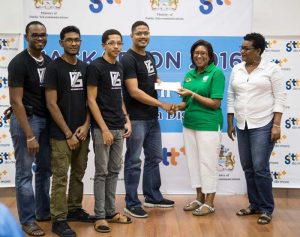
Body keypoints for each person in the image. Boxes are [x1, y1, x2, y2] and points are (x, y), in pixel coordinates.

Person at [227, 33, 286, 225]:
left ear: (258, 50)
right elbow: (230, 97)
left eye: (246, 48)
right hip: (242, 124)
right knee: (248, 167)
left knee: (260, 168)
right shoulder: (237, 69)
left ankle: (267, 208)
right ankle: (254, 205)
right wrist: (230, 122)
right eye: (241, 48)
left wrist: (276, 124)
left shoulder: (271, 69)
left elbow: (280, 98)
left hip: (263, 124)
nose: (242, 51)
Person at [120, 20, 175, 218]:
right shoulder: (128, 59)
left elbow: (152, 79)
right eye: (139, 33)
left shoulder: (149, 56)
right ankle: (131, 203)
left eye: (146, 33)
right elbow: (134, 91)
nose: (143, 36)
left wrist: (160, 84)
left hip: (152, 118)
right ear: (132, 36)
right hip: (136, 119)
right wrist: (161, 104)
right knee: (134, 161)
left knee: (154, 158)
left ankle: (152, 196)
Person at [44, 26, 95, 237]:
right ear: (61, 42)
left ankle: (74, 209)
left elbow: (91, 101)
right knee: (60, 177)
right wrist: (68, 133)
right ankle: (59, 218)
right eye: (69, 40)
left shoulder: (86, 67)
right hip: (60, 134)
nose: (74, 43)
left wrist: (85, 126)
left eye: (77, 40)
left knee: (78, 173)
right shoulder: (54, 68)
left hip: (82, 132)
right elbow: (51, 104)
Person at [8, 21, 52, 236]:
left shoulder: (49, 61)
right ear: (27, 37)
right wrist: (29, 135)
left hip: (45, 121)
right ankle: (27, 220)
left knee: (45, 170)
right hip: (27, 121)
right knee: (25, 173)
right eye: (35, 35)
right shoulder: (19, 63)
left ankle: (43, 211)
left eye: (43, 35)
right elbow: (16, 101)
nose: (39, 38)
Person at [87, 29, 132, 233]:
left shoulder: (120, 66)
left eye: (119, 43)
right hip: (101, 129)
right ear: (103, 45)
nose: (116, 46)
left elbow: (119, 95)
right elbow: (91, 100)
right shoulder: (96, 67)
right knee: (102, 172)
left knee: (114, 171)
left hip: (118, 127)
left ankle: (111, 211)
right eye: (111, 43)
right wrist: (103, 128)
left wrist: (126, 119)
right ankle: (99, 215)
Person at [175, 40, 225, 216]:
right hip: (190, 125)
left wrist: (192, 94)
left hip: (209, 125)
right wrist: (175, 107)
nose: (199, 56)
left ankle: (210, 202)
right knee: (194, 163)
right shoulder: (189, 74)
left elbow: (214, 103)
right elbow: (186, 102)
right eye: (196, 52)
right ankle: (199, 198)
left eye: (203, 53)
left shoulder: (216, 73)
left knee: (208, 163)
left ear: (210, 56)